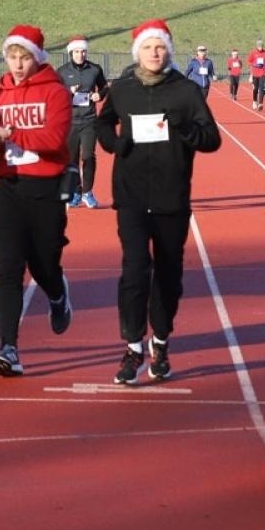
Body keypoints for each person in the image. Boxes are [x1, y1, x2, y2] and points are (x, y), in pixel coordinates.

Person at [95, 19, 222, 385]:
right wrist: (116, 145)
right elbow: (104, 125)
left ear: (169, 51)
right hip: (131, 196)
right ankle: (133, 346)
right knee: (134, 269)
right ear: (137, 52)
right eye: (148, 47)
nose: (155, 52)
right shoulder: (122, 89)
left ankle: (161, 342)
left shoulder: (185, 91)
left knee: (168, 275)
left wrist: (184, 128)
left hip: (171, 198)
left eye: (161, 47)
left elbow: (211, 139)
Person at [0, 24, 74, 376]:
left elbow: (56, 138)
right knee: (8, 268)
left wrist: (13, 133)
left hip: (45, 192)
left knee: (44, 264)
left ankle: (57, 294)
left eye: (24, 57)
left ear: (37, 58)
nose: (17, 64)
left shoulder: (55, 92)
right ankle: (8, 347)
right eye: (12, 57)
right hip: (8, 191)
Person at [55, 35, 108, 209]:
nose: (81, 54)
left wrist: (99, 95)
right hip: (70, 121)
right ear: (71, 52)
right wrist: (67, 91)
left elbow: (104, 86)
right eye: (77, 51)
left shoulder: (95, 69)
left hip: (89, 120)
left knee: (88, 156)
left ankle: (87, 192)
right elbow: (54, 92)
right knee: (72, 159)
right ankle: (76, 191)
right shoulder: (62, 71)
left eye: (83, 51)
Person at [247, 39, 265, 110]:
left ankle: (260, 103)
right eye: (259, 46)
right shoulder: (253, 53)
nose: (260, 47)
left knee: (261, 89)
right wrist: (254, 64)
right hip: (255, 74)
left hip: (263, 73)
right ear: (257, 46)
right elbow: (248, 61)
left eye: (261, 46)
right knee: (255, 89)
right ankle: (254, 101)